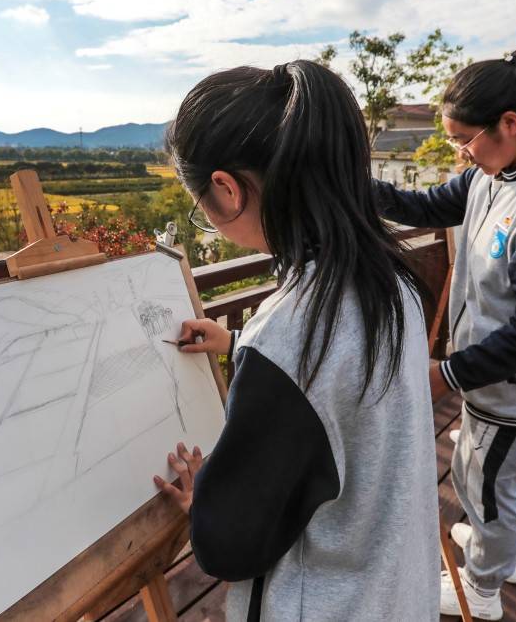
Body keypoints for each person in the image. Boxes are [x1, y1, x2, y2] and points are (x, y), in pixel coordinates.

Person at [152, 60, 439, 621]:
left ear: (227, 190)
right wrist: (237, 344)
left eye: (200, 208)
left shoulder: (291, 334)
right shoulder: (389, 279)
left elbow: (229, 547)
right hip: (395, 590)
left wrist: (204, 499)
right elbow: (339, 390)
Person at [373, 48, 516, 620]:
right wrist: (347, 185)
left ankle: (481, 588)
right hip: (498, 379)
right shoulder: (495, 174)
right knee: (491, 476)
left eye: (464, 138)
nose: (460, 152)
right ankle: (498, 552)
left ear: (510, 123)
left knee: (486, 481)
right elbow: (422, 206)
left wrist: (445, 374)